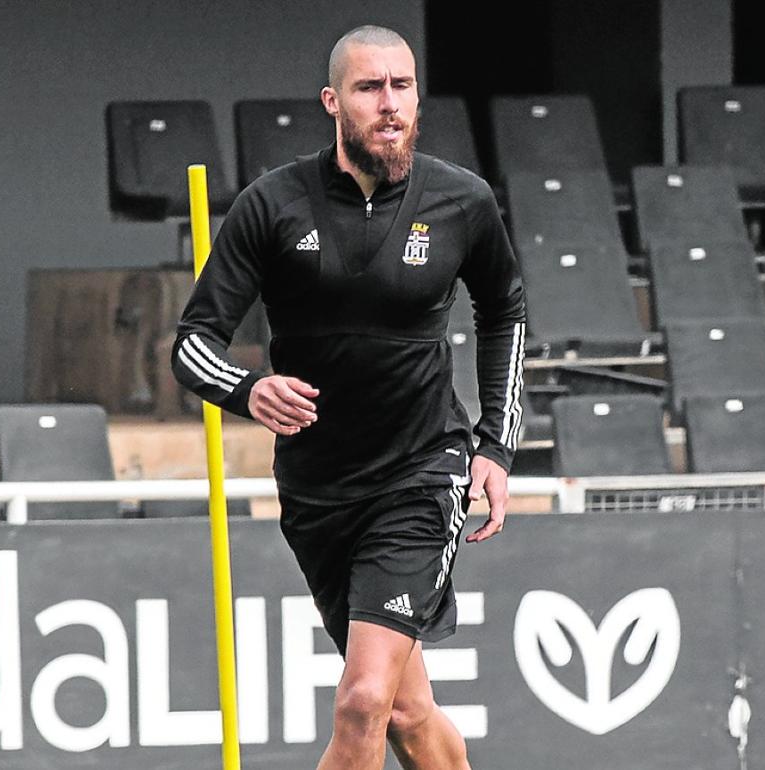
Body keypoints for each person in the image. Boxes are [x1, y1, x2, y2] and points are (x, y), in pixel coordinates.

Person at [172, 25, 525, 770]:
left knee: (362, 699)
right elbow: (192, 343)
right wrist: (248, 388)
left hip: (422, 472)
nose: (389, 103)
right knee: (405, 711)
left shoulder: (463, 200)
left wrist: (496, 445)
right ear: (333, 102)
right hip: (318, 491)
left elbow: (506, 314)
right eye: (370, 88)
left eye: (402, 86)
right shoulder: (271, 204)